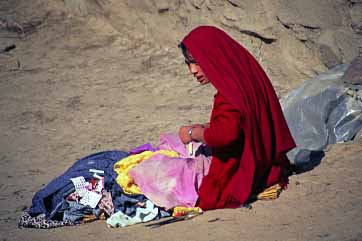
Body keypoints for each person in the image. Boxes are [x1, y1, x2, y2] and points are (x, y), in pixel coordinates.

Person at [177, 26, 296, 211]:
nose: (192, 70)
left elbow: (225, 135)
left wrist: (193, 132)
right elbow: (243, 120)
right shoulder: (245, 75)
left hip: (245, 169)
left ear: (212, 57)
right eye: (188, 63)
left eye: (196, 62)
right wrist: (207, 126)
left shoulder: (229, 93)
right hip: (264, 158)